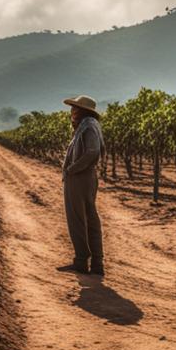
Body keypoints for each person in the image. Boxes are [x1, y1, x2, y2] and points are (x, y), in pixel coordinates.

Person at [62, 95, 105, 275]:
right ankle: (96, 263)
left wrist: (72, 169)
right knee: (90, 218)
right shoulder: (89, 125)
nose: (71, 111)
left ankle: (81, 261)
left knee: (77, 219)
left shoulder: (87, 126)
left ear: (82, 111)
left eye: (74, 108)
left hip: (80, 178)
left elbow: (92, 151)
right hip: (86, 177)